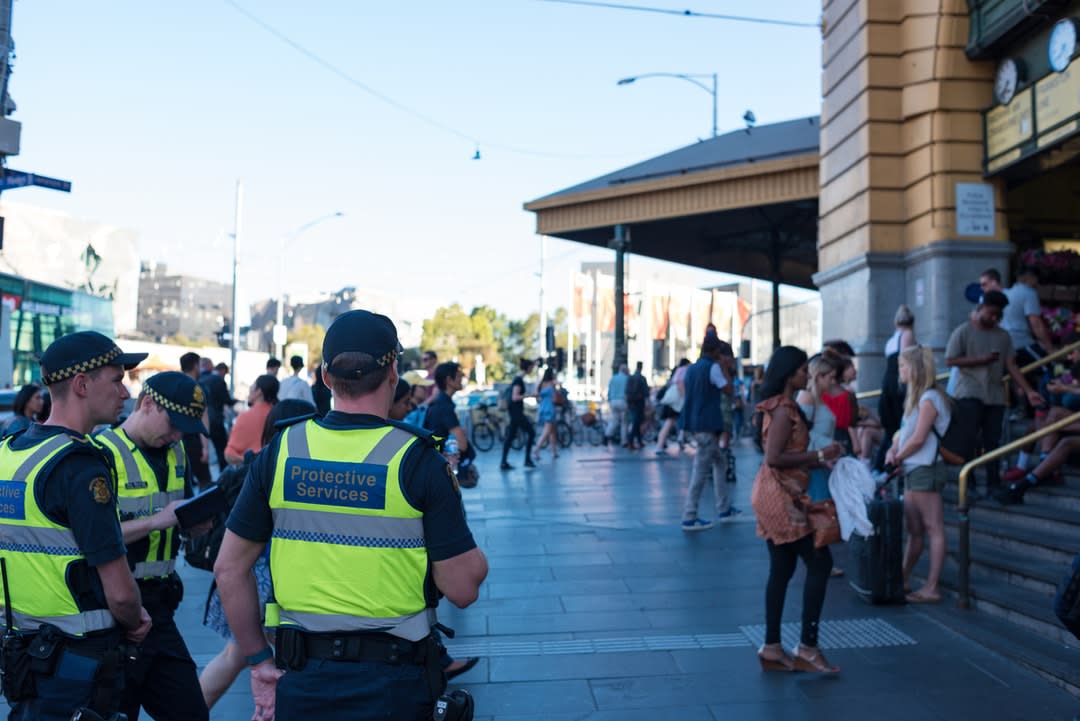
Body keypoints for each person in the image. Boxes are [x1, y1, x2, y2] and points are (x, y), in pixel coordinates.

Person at [214, 309, 488, 721]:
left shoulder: (283, 450)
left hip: (301, 679)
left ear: (326, 377)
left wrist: (257, 661)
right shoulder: (418, 460)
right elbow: (463, 589)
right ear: (393, 371)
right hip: (393, 686)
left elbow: (229, 569)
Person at [0, 330, 152, 721]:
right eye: (117, 379)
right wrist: (136, 620)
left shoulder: (9, 453)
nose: (124, 393)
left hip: (23, 658)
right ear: (82, 384)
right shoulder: (80, 466)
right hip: (79, 666)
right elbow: (119, 593)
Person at [94, 372, 211, 721]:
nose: (176, 435)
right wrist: (155, 521)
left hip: (160, 608)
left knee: (190, 712)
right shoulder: (103, 454)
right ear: (147, 404)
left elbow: (180, 513)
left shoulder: (176, 453)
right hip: (114, 610)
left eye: (184, 429)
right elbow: (91, 537)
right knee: (117, 712)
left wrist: (197, 525)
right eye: (173, 423)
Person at [198, 398, 316, 710]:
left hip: (245, 576)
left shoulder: (256, 463)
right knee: (288, 664)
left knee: (237, 656)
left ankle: (188, 712)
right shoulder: (306, 471)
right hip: (280, 579)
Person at [751, 346, 844, 674]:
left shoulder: (781, 406)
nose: (807, 374)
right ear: (790, 374)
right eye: (803, 369)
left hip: (780, 493)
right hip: (781, 496)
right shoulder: (783, 409)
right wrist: (819, 456)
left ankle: (773, 647)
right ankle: (807, 647)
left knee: (782, 568)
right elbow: (774, 457)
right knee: (820, 561)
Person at [945, 290, 1044, 493]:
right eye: (991, 313)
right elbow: (950, 359)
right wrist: (979, 360)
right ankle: (969, 481)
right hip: (968, 392)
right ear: (981, 308)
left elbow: (1011, 365)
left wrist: (1028, 390)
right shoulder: (963, 331)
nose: (994, 318)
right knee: (969, 438)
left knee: (993, 440)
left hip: (995, 395)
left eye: (998, 315)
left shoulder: (1003, 336)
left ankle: (993, 482)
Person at [885, 346, 950, 603]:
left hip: (925, 467)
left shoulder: (929, 398)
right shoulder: (918, 398)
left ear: (914, 369)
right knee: (915, 529)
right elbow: (905, 434)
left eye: (903, 366)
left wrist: (897, 457)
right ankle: (903, 578)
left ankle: (932, 586)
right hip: (914, 468)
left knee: (932, 527)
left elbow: (919, 438)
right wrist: (895, 451)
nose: (899, 370)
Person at [680, 338, 739, 531]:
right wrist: (725, 370)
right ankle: (690, 515)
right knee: (700, 471)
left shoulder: (692, 369)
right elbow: (728, 389)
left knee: (719, 463)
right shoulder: (712, 368)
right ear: (715, 352)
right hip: (707, 424)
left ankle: (724, 507)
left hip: (695, 422)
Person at [876, 305, 917, 470]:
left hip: (888, 382)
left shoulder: (892, 338)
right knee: (898, 425)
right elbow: (907, 360)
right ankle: (885, 465)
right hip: (898, 384)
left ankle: (882, 465)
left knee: (892, 427)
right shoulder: (907, 335)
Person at [424, 361, 473, 472]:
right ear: (449, 380)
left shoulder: (439, 402)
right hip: (441, 467)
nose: (462, 379)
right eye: (459, 376)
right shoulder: (444, 406)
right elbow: (462, 445)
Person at [224, 374, 279, 465]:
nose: (249, 390)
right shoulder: (278, 415)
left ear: (259, 392)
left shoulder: (245, 417)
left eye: (252, 386)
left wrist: (250, 462)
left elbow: (229, 454)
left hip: (250, 474)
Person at [180, 352, 212, 488]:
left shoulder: (176, 386)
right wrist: (205, 447)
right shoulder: (198, 389)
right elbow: (203, 419)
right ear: (195, 366)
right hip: (194, 442)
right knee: (205, 482)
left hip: (175, 441)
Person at [500, 358, 537, 470]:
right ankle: (527, 460)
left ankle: (504, 462)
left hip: (515, 413)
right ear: (528, 368)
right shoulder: (518, 380)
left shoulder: (517, 379)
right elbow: (515, 397)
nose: (532, 369)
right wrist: (530, 395)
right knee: (531, 433)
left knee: (510, 437)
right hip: (516, 413)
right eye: (532, 367)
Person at [199, 358, 233, 472]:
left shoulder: (198, 379)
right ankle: (224, 476)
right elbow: (227, 399)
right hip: (215, 419)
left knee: (201, 452)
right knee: (221, 450)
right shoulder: (217, 379)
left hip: (200, 419)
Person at [654, 359, 690, 455]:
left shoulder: (677, 370)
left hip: (672, 402)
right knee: (672, 422)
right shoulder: (684, 370)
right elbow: (680, 383)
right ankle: (676, 439)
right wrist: (685, 397)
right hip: (676, 402)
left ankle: (662, 444)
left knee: (670, 423)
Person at [532, 367, 560, 460]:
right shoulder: (552, 383)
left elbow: (537, 396)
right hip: (550, 408)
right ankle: (536, 448)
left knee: (552, 432)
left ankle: (554, 452)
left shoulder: (541, 384)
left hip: (542, 408)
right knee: (547, 431)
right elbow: (559, 384)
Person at [624, 362, 649, 450]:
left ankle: (638, 441)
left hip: (631, 403)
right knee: (636, 422)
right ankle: (631, 441)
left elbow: (626, 391)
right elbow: (646, 393)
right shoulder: (642, 378)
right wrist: (648, 404)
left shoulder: (630, 378)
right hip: (639, 403)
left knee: (636, 422)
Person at [605, 364, 629, 447]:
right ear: (625, 370)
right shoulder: (626, 379)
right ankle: (623, 441)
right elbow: (627, 392)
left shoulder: (613, 378)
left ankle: (607, 435)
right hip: (622, 401)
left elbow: (609, 390)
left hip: (613, 401)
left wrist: (609, 399)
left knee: (614, 420)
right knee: (624, 422)